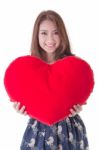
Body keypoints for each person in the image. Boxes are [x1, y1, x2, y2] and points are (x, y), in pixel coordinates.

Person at [13, 10, 89, 150]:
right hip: (38, 132)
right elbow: (26, 97)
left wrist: (77, 107)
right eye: (43, 33)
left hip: (70, 130)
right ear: (36, 35)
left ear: (62, 34)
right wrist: (22, 108)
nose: (50, 39)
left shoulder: (74, 67)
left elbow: (79, 95)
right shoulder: (27, 69)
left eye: (56, 32)